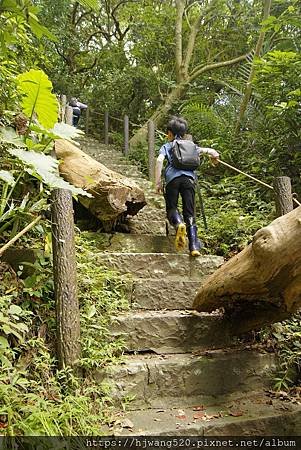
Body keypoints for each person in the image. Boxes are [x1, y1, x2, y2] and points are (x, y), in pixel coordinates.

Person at [155, 116, 219, 257]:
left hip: (172, 180)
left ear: (170, 133)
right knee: (190, 213)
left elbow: (159, 160)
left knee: (172, 208)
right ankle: (194, 247)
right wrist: (215, 158)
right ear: (184, 134)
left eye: (168, 133)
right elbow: (212, 151)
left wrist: (158, 182)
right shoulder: (192, 146)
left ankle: (178, 224)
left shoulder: (167, 146)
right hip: (189, 180)